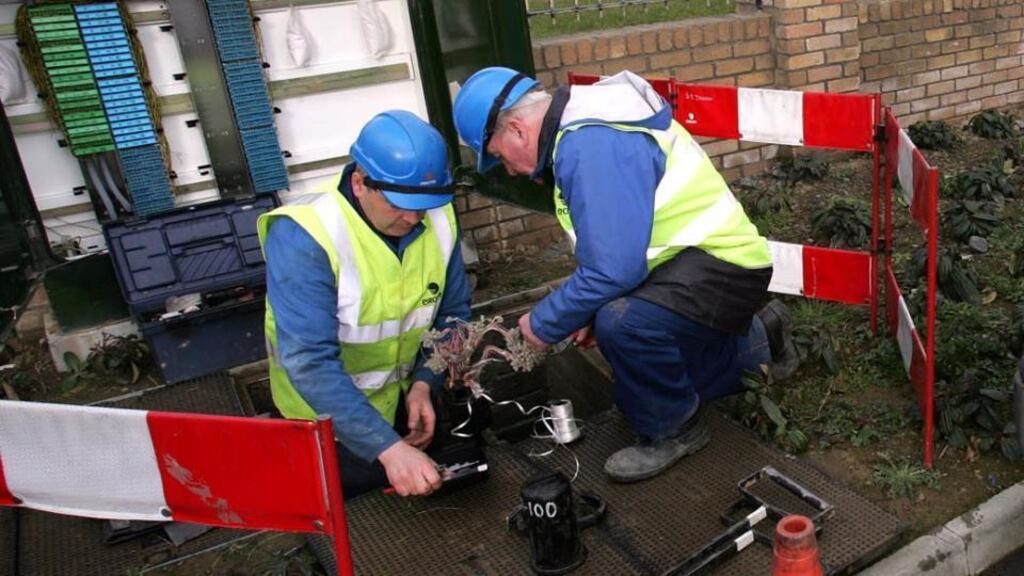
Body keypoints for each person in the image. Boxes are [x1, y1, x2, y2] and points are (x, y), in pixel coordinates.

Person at [452, 68, 798, 483]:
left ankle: (674, 429)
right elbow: (615, 251)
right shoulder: (585, 133)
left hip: (722, 266)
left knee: (622, 324)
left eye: (501, 157)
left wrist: (543, 323)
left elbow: (614, 268)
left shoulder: (589, 145)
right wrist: (582, 311)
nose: (510, 171)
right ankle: (761, 338)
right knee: (639, 358)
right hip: (700, 263)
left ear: (517, 129)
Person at [258, 110, 471, 498]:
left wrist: (426, 383)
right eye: (397, 204)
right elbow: (309, 361)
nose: (412, 218)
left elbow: (454, 315)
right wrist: (387, 449)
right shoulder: (305, 235)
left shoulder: (437, 217)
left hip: (403, 401)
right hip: (325, 421)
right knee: (356, 517)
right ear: (359, 183)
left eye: (422, 205)